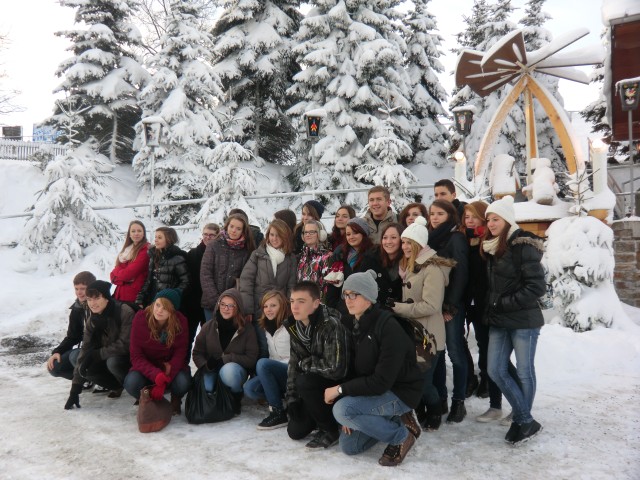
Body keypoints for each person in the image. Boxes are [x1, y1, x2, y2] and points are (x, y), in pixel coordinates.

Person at [326, 270, 423, 467]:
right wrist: (351, 412)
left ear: (369, 298)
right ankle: (396, 421)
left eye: (355, 294)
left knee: (342, 410)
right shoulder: (355, 323)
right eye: (346, 294)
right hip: (377, 391)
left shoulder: (388, 327)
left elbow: (381, 382)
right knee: (349, 446)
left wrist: (341, 392)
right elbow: (357, 369)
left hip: (400, 392)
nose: (348, 300)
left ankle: (401, 435)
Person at [482, 195, 545, 445]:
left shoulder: (523, 246)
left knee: (524, 371)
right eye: (488, 220)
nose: (490, 224)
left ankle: (521, 421)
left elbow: (536, 287)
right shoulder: (494, 246)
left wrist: (504, 303)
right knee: (495, 369)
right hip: (499, 319)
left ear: (507, 220)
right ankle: (526, 419)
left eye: (495, 219)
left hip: (523, 320)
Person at [391, 217, 454, 431]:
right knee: (417, 379)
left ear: (419, 244)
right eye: (404, 242)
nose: (405, 247)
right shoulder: (413, 265)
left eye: (409, 242)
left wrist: (398, 308)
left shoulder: (432, 268)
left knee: (424, 381)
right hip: (416, 334)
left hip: (430, 336)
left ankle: (435, 411)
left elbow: (431, 306)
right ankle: (423, 411)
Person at [284, 281, 350, 449]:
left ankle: (330, 429)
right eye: (292, 301)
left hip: (337, 388)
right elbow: (293, 365)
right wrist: (292, 399)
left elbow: (335, 369)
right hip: (313, 388)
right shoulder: (295, 327)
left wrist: (304, 364)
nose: (295, 306)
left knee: (304, 381)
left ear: (316, 303)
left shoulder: (331, 325)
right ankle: (318, 416)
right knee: (295, 431)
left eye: (301, 301)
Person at [428, 199, 470, 423]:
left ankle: (459, 401)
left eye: (440, 214)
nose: (434, 218)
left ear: (450, 216)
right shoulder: (431, 237)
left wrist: (451, 305)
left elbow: (461, 274)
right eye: (432, 214)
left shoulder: (456, 238)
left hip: (451, 305)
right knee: (438, 353)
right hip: (434, 304)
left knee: (455, 352)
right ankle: (441, 398)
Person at [64, 281, 135, 409]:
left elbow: (125, 344)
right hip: (107, 355)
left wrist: (97, 354)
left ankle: (136, 388)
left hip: (130, 358)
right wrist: (75, 390)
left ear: (107, 298)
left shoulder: (124, 311)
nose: (92, 303)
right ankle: (115, 385)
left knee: (113, 362)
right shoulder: (93, 319)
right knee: (80, 361)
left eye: (97, 298)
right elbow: (85, 348)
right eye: (89, 299)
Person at [123, 289, 192, 414]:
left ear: (172, 311)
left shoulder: (180, 322)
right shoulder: (140, 318)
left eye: (165, 308)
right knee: (131, 383)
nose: (159, 310)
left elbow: (180, 353)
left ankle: (176, 399)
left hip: (170, 367)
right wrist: (156, 375)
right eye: (158, 305)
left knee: (183, 382)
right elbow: (136, 356)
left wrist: (166, 377)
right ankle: (149, 401)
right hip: (147, 366)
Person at [192, 289, 258, 415]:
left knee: (229, 372)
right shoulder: (208, 326)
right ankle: (219, 395)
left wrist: (227, 359)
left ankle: (235, 396)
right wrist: (206, 365)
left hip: (235, 371)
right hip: (212, 369)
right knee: (207, 387)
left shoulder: (247, 329)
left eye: (230, 305)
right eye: (222, 304)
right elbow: (197, 353)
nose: (225, 308)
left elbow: (251, 358)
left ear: (237, 307)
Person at [240, 219, 297, 358]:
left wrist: (289, 308)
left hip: (280, 311)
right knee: (262, 346)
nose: (274, 238)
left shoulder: (290, 258)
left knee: (277, 347)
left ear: (285, 236)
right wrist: (248, 309)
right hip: (260, 309)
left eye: (278, 235)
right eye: (272, 234)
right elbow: (246, 281)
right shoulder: (258, 255)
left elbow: (291, 285)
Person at [243, 291, 291, 429]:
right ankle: (283, 398)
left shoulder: (291, 324)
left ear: (282, 306)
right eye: (265, 306)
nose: (268, 309)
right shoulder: (264, 326)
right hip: (275, 371)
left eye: (273, 305)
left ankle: (277, 412)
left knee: (263, 364)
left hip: (291, 370)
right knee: (249, 388)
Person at [200, 213, 255, 321]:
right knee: (213, 335)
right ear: (226, 226)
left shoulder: (247, 250)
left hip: (233, 305)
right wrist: (217, 301)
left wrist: (231, 302)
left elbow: (245, 278)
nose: (234, 230)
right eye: (231, 226)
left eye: (238, 228)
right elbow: (205, 274)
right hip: (212, 304)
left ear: (243, 231)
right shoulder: (214, 245)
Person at [47, 271, 96, 381]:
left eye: (83, 288)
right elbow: (73, 336)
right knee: (54, 367)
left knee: (75, 356)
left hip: (101, 350)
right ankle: (86, 379)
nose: (79, 292)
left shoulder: (100, 305)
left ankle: (101, 380)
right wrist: (57, 352)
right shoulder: (77, 308)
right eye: (76, 289)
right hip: (85, 349)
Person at [326, 217, 379, 315]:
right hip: (342, 310)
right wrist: (334, 309)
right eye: (348, 234)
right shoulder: (340, 256)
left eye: (355, 233)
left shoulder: (373, 256)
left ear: (364, 233)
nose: (351, 237)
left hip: (363, 311)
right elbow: (332, 286)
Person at [182, 224, 220, 354]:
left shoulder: (219, 255)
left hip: (210, 303)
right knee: (187, 338)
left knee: (209, 340)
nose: (207, 237)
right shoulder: (192, 254)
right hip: (192, 304)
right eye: (205, 234)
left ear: (217, 236)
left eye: (211, 235)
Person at [136, 227, 189, 309]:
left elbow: (186, 282)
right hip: (151, 299)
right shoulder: (153, 256)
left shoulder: (177, 259)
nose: (156, 240)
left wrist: (173, 296)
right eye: (155, 237)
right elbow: (148, 280)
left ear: (169, 239)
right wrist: (140, 298)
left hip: (167, 303)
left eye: (160, 237)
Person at [110, 220, 150, 303]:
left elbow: (127, 274)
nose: (136, 233)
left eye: (139, 231)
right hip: (120, 293)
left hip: (133, 296)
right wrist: (121, 278)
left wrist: (119, 276)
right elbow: (112, 275)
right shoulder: (127, 250)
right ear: (129, 234)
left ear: (143, 233)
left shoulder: (145, 250)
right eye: (133, 231)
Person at [296, 219, 333, 301]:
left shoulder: (327, 257)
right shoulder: (302, 256)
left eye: (312, 232)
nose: (308, 235)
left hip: (317, 307)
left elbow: (327, 288)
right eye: (306, 232)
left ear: (320, 234)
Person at [376, 223, 404, 308]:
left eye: (393, 237)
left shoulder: (408, 263)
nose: (388, 241)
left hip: (402, 312)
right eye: (385, 238)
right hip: (378, 312)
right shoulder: (371, 259)